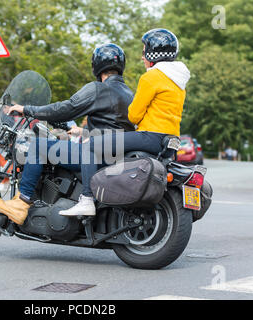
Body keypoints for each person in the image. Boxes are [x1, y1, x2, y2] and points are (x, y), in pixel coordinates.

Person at [0, 43, 135, 225]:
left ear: (96, 65)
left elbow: (66, 108)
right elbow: (115, 126)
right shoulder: (129, 93)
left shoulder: (98, 88)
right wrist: (84, 131)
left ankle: (21, 202)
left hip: (96, 153)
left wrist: (27, 109)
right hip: (115, 153)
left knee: (39, 146)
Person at [59, 28, 191, 216]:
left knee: (91, 145)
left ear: (153, 53)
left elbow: (134, 115)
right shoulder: (179, 80)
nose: (142, 56)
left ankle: (86, 199)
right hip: (170, 140)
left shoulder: (151, 77)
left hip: (150, 136)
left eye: (144, 50)